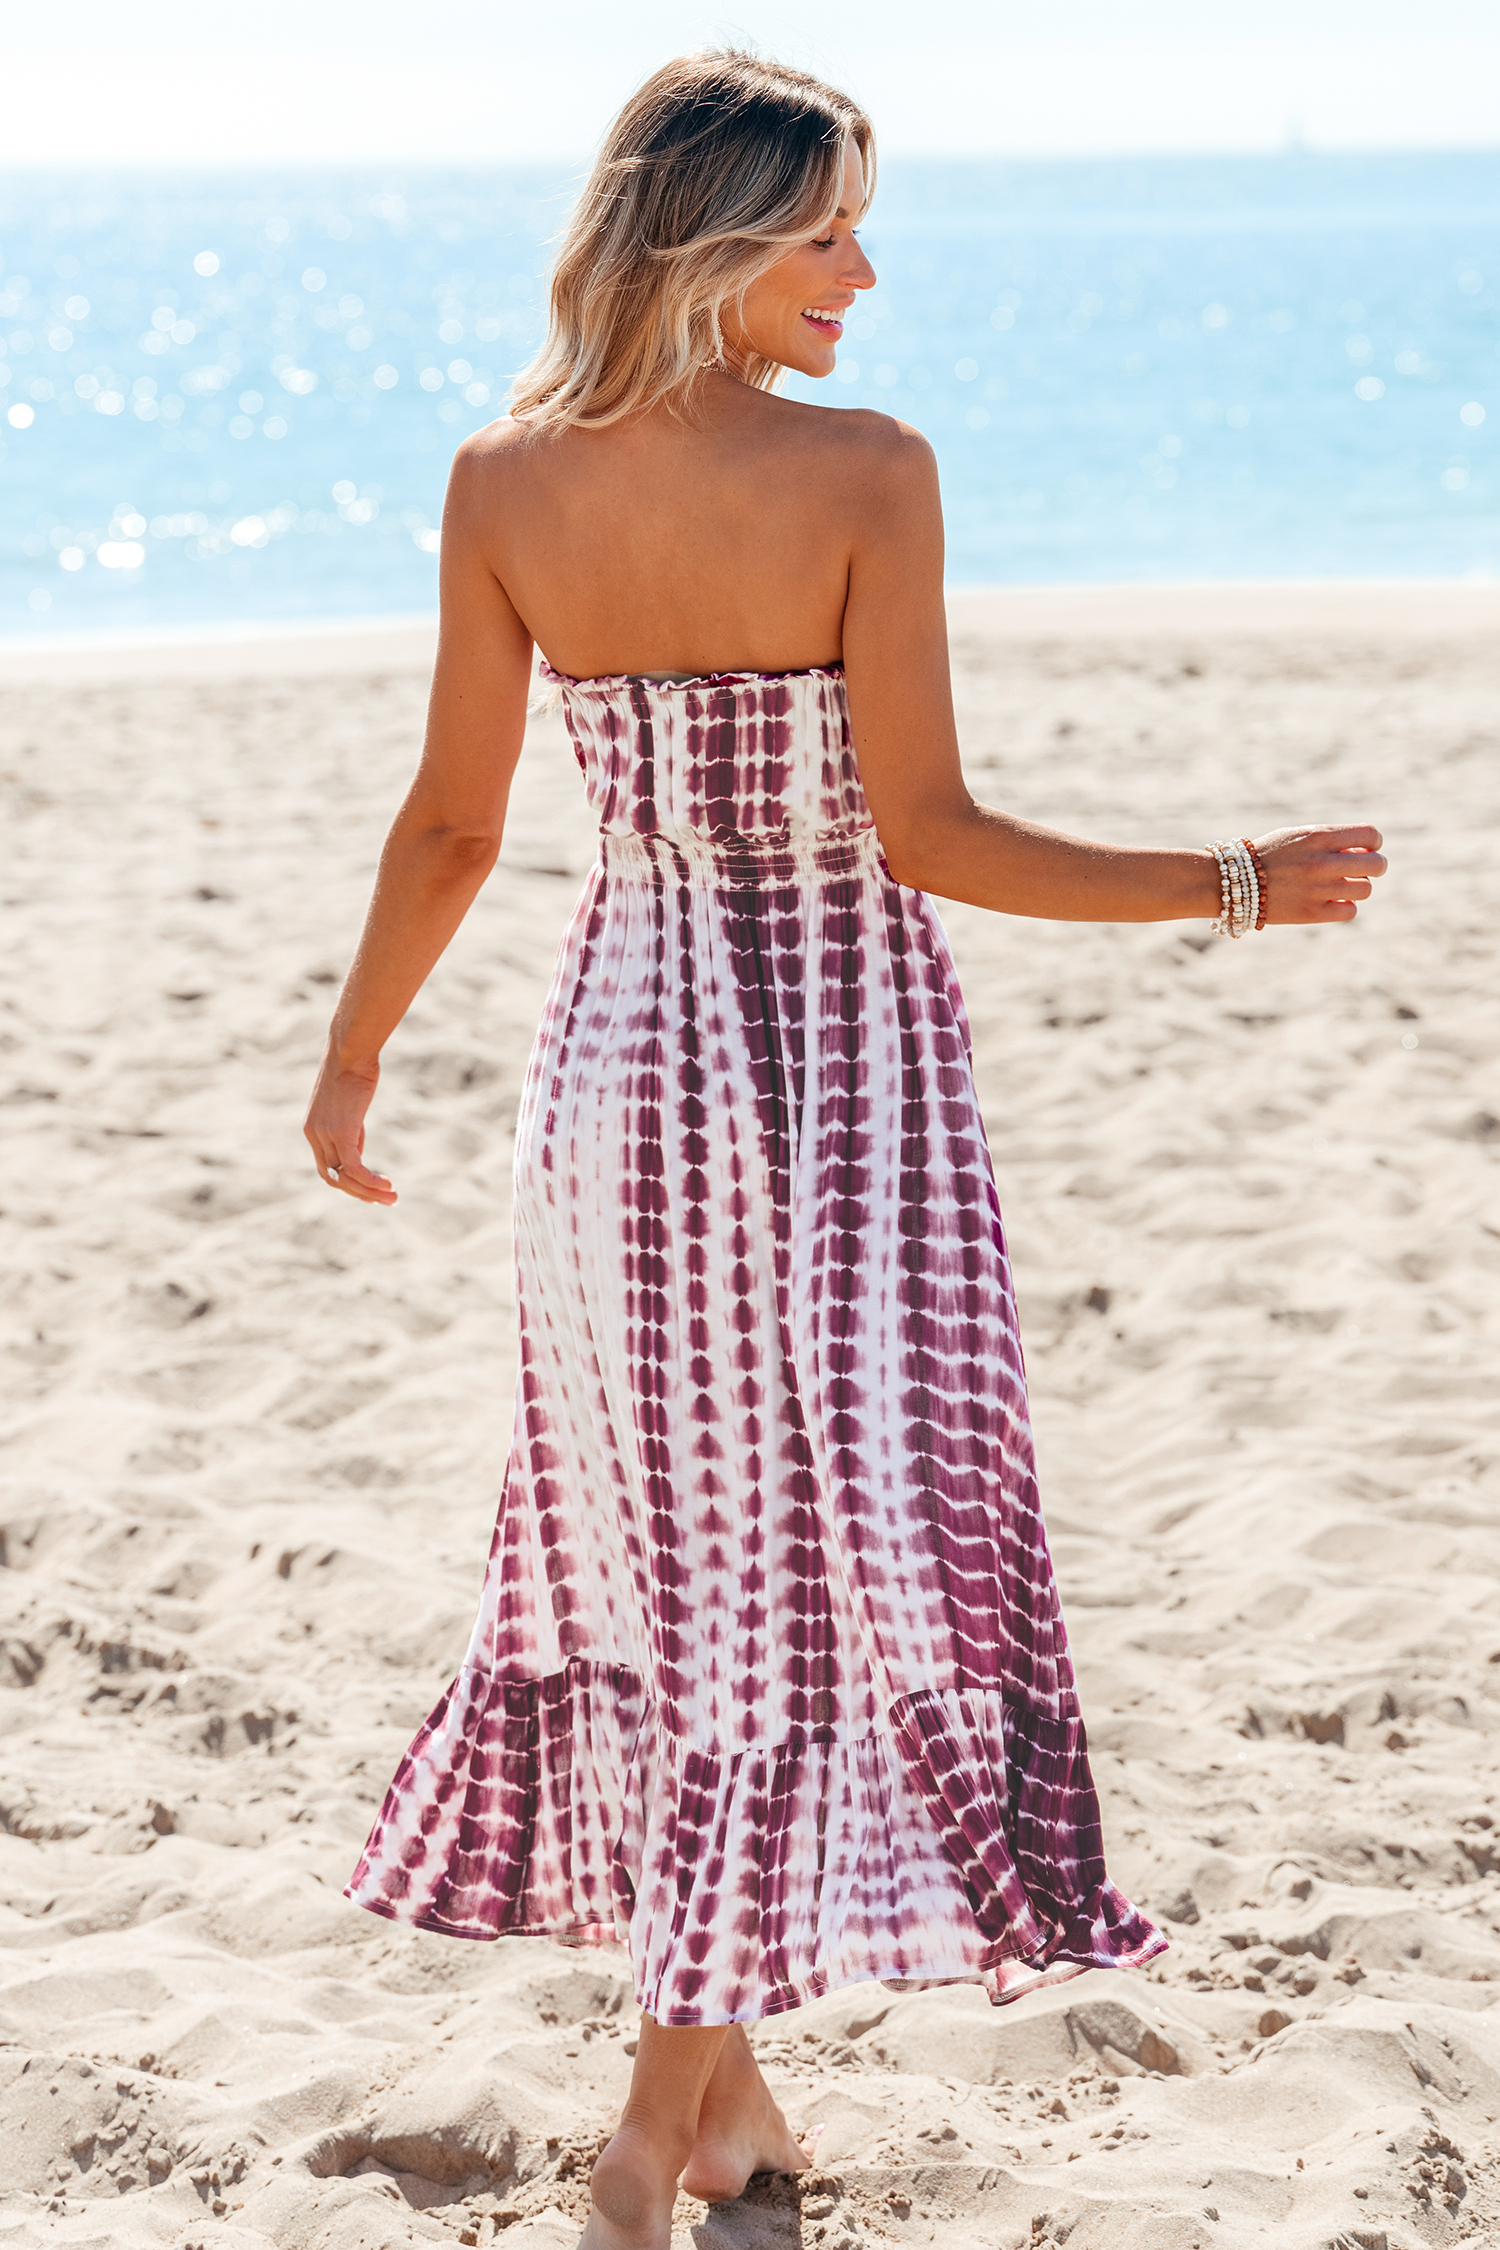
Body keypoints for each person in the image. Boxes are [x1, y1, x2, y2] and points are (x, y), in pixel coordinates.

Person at [302, 49, 1386, 2250]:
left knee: (684, 1586)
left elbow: (451, 829)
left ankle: (733, 2120)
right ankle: (641, 2143)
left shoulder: (501, 480)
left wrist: (352, 1062)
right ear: (707, 237)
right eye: (823, 233)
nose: (863, 273)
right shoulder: (870, 471)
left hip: (613, 1095)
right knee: (791, 1599)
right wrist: (1234, 882)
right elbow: (936, 833)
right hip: (836, 1095)